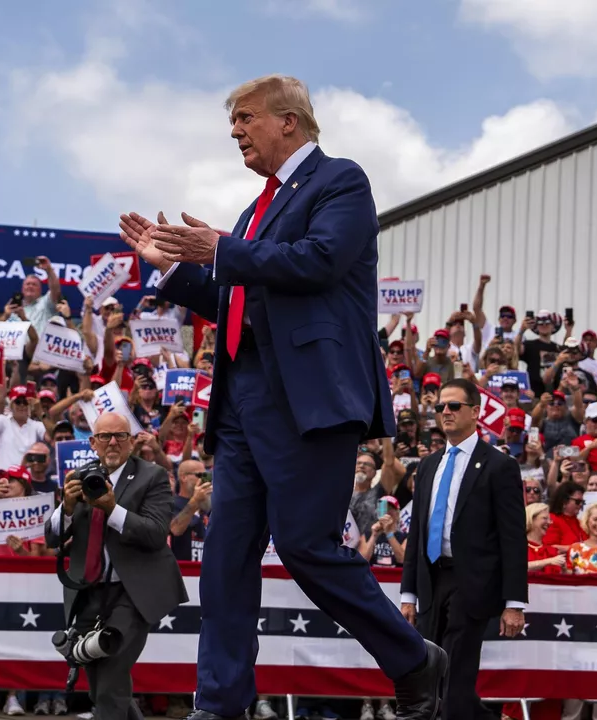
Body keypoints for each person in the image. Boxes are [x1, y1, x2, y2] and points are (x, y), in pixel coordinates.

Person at [118, 73, 443, 719]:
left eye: (245, 118)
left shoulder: (341, 180)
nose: (235, 131)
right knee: (225, 562)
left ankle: (412, 659)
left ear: (287, 121)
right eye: (233, 122)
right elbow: (234, 296)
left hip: (310, 399)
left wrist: (222, 248)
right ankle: (219, 704)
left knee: (305, 547)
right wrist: (176, 269)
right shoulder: (252, 210)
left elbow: (318, 261)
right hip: (240, 402)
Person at [44, 413, 187, 719]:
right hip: (89, 591)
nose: (112, 443)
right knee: (99, 683)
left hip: (132, 592)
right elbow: (52, 536)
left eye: (120, 436)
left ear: (132, 441)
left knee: (110, 679)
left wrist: (112, 509)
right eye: (105, 436)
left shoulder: (153, 476)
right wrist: (66, 509)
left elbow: (155, 533)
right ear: (93, 443)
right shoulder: (80, 476)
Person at [399, 379, 526, 720]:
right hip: (430, 578)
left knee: (455, 664)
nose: (446, 413)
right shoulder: (427, 466)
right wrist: (408, 594)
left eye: (454, 406)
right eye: (441, 407)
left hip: (473, 582)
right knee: (428, 666)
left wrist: (514, 603)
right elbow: (418, 532)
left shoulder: (500, 466)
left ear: (475, 411)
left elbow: (513, 538)